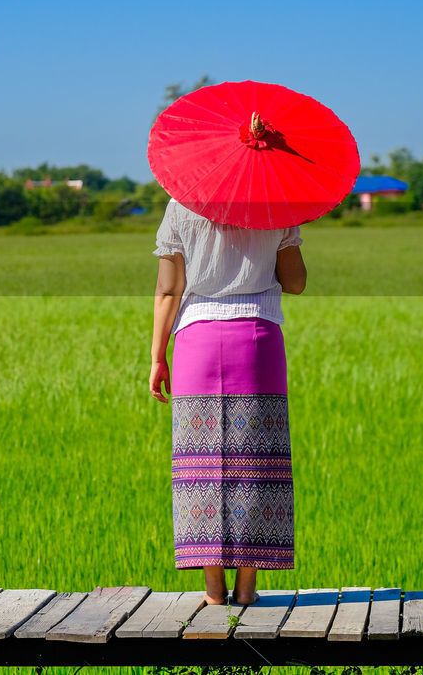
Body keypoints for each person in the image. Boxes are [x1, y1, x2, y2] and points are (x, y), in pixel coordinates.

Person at [149, 196, 307, 607]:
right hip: (256, 338)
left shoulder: (180, 205)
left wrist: (156, 356)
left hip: (196, 341)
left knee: (201, 462)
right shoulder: (277, 203)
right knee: (256, 461)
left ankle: (214, 590)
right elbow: (295, 282)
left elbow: (169, 289)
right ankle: (247, 589)